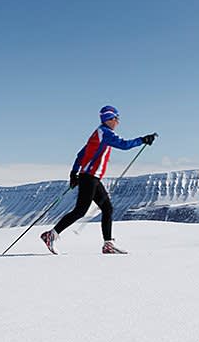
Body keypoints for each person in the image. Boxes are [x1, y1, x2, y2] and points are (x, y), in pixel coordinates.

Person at [41, 105, 155, 255]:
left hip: (89, 177)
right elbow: (124, 145)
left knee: (107, 208)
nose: (118, 122)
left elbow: (80, 155)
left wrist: (74, 173)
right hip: (89, 178)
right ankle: (51, 235)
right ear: (109, 119)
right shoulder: (105, 133)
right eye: (116, 118)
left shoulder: (98, 133)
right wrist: (143, 140)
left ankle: (108, 244)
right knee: (81, 211)